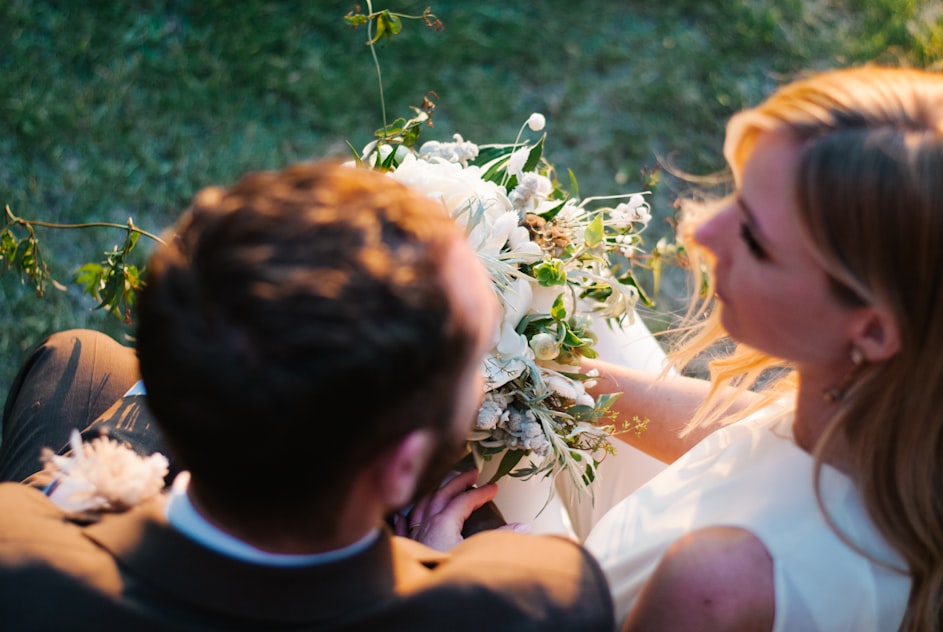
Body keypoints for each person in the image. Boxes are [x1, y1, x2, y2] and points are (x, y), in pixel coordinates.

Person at [0, 161, 613, 630]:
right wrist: (424, 564)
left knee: (82, 355)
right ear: (401, 470)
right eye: (476, 358)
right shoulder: (536, 600)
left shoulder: (17, 546)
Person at [579, 66, 943, 631]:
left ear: (873, 331)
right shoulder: (907, 435)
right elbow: (752, 438)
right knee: (563, 306)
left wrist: (446, 570)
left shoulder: (717, 584)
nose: (703, 233)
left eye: (754, 237)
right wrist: (549, 380)